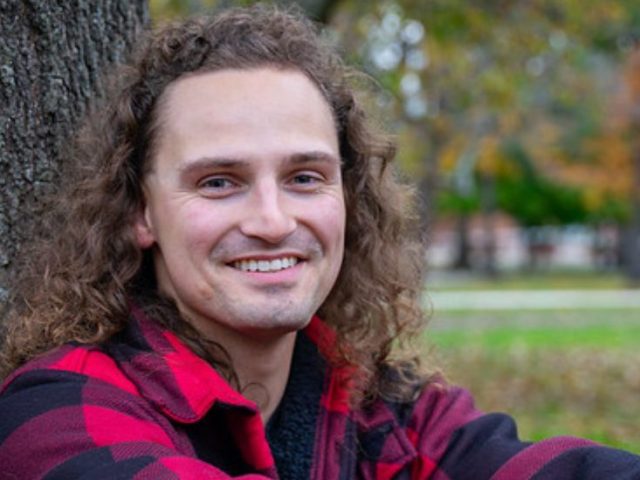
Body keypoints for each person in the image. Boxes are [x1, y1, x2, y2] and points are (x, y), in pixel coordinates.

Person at [0, 4, 638, 479]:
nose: (275, 221)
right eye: (219, 182)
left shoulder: (375, 403)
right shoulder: (56, 416)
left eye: (305, 177)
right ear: (140, 213)